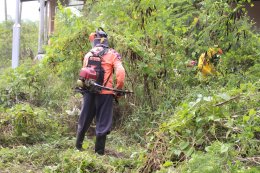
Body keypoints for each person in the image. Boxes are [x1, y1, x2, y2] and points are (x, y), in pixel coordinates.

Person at [76, 29, 126, 155]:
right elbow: (120, 73)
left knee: (85, 118)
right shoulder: (113, 54)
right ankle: (99, 153)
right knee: (103, 121)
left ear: (95, 41)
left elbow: (84, 74)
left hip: (89, 91)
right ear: (106, 40)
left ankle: (78, 147)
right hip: (105, 93)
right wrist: (118, 89)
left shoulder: (88, 54)